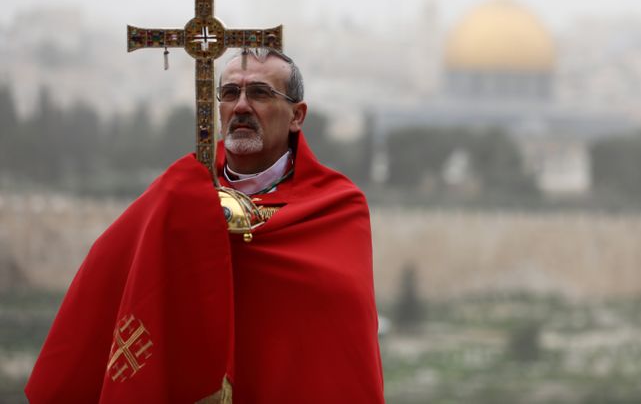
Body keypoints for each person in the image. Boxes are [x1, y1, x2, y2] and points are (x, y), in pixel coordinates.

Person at [26, 48, 385, 403]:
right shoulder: (177, 189)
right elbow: (110, 270)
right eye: (230, 93)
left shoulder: (338, 206)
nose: (241, 106)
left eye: (260, 92)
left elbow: (341, 337)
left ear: (297, 115)